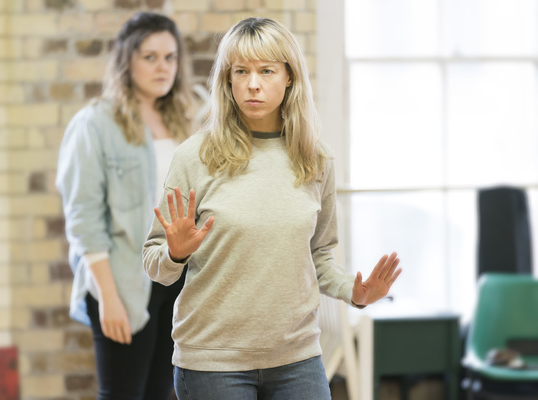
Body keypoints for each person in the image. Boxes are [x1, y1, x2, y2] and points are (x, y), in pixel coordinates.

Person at [142, 17, 402, 399]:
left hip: (297, 358)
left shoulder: (316, 160)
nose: (253, 83)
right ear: (227, 81)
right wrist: (175, 254)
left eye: (266, 71)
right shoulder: (195, 157)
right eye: (241, 71)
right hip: (213, 363)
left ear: (289, 77)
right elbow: (154, 264)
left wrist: (355, 293)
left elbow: (320, 256)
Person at [56, 12, 196, 400]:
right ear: (126, 60)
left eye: (170, 57)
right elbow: (84, 219)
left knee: (160, 394)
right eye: (149, 57)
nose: (162, 67)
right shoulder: (94, 124)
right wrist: (109, 298)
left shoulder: (182, 122)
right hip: (120, 282)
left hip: (174, 279)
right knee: (121, 395)